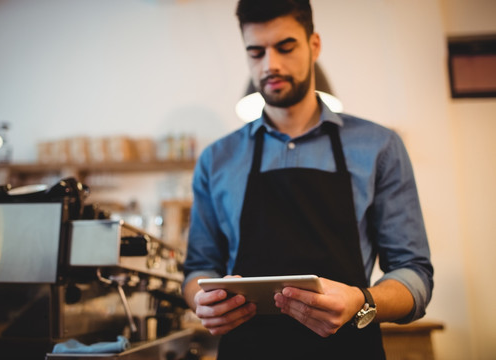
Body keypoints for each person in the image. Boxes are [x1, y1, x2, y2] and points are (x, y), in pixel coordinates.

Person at [182, 0, 434, 358]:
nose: (270, 65)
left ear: (314, 44)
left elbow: (414, 274)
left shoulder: (380, 147)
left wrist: (363, 302)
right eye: (256, 53)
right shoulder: (217, 159)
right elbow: (199, 267)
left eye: (285, 47)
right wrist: (200, 301)